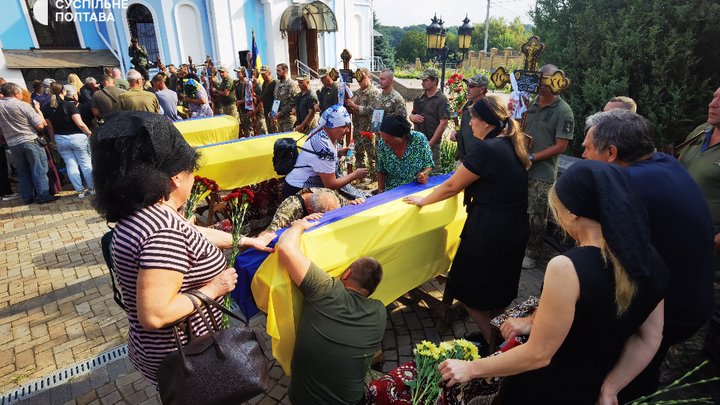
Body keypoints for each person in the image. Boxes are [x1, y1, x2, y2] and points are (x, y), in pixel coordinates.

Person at [438, 160, 668, 405]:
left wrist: (471, 368)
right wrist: (611, 388)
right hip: (598, 385)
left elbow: (538, 355)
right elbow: (650, 337)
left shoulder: (567, 268)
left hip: (550, 388)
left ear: (572, 213)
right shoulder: (651, 258)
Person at [91, 111, 275, 385]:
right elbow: (155, 314)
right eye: (192, 171)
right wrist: (216, 287)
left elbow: (194, 232)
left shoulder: (144, 211)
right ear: (176, 177)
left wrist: (247, 241)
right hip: (188, 360)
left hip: (162, 353)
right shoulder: (163, 232)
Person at [578, 109, 715, 402]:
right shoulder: (663, 163)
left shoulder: (626, 187)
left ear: (611, 152)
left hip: (669, 311)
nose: (584, 155)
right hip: (687, 298)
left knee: (616, 379)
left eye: (588, 148)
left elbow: (594, 256)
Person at [404, 96, 530, 353]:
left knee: (464, 286)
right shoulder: (512, 144)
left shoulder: (487, 149)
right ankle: (503, 333)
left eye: (472, 118)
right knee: (498, 289)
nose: (469, 124)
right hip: (515, 225)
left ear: (485, 122)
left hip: (490, 229)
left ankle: (495, 343)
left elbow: (451, 185)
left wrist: (423, 200)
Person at [276, 215, 386, 404]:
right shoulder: (380, 312)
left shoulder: (326, 290)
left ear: (347, 273)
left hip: (303, 400)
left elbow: (286, 247)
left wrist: (298, 226)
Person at [522, 64, 575, 270]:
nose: (542, 85)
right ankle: (518, 245)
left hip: (541, 173)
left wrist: (532, 157)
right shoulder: (528, 105)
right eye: (539, 79)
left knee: (537, 214)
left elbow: (561, 146)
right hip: (521, 167)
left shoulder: (563, 110)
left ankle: (533, 253)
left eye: (547, 80)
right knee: (518, 210)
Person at [283, 105, 368, 198]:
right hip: (299, 190)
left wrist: (338, 152)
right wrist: (354, 175)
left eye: (348, 126)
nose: (347, 130)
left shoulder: (321, 130)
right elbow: (331, 185)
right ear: (332, 126)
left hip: (298, 182)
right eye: (343, 126)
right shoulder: (324, 147)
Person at [678, 86, 720, 250]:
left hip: (709, 247)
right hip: (679, 233)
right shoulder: (701, 131)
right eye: (714, 97)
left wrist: (713, 243)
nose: (712, 104)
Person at [0, 82, 56, 204]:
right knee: (39, 169)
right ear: (15, 93)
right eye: (20, 93)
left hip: (12, 144)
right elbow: (40, 125)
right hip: (30, 140)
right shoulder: (23, 105)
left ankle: (27, 197)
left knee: (22, 171)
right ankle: (43, 195)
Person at [43, 82, 94, 198]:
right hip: (78, 137)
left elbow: (50, 127)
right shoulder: (69, 105)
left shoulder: (46, 108)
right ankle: (92, 189)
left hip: (60, 138)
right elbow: (80, 123)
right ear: (63, 92)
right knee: (85, 164)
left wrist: (52, 141)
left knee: (70, 165)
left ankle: (80, 191)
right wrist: (89, 133)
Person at [264, 187, 363, 233]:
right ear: (310, 210)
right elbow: (269, 235)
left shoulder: (328, 194)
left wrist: (353, 203)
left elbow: (343, 202)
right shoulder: (289, 210)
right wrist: (298, 226)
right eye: (327, 215)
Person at [376, 115, 433, 192]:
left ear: (402, 136)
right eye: (384, 139)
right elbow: (381, 170)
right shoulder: (382, 144)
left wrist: (423, 174)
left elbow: (429, 164)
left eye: (389, 140)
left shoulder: (419, 139)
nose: (386, 143)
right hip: (393, 191)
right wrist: (381, 191)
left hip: (416, 187)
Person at [410, 68, 449, 174]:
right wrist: (411, 117)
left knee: (433, 174)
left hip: (432, 143)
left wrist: (430, 143)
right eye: (422, 80)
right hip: (418, 142)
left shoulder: (441, 99)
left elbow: (443, 123)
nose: (422, 83)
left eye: (425, 80)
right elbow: (412, 114)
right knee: (418, 173)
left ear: (434, 81)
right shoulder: (420, 98)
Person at [344, 68, 381, 179]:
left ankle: (374, 178)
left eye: (362, 78)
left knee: (372, 155)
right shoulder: (357, 93)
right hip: (357, 128)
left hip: (369, 129)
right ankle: (361, 176)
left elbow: (374, 110)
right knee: (358, 153)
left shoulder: (374, 92)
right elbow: (350, 105)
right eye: (358, 79)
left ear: (369, 77)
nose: (360, 82)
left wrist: (355, 107)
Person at [451, 74, 489, 160]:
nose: (468, 89)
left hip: (478, 159)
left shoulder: (488, 108)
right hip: (463, 156)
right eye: (467, 85)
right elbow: (464, 125)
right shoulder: (468, 104)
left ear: (482, 89)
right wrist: (456, 131)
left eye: (471, 86)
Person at [272, 63, 299, 132]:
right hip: (279, 119)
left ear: (285, 71)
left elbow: (293, 102)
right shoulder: (278, 84)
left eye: (279, 71)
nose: (277, 73)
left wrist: (281, 113)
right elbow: (276, 99)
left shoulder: (291, 84)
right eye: (276, 71)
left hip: (288, 120)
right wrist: (273, 112)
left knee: (289, 141)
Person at [260, 66, 278, 134]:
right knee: (270, 133)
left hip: (273, 113)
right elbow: (263, 97)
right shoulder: (264, 84)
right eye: (261, 74)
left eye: (264, 74)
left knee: (275, 132)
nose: (262, 76)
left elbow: (277, 99)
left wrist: (274, 114)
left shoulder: (275, 83)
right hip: (266, 111)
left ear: (269, 72)